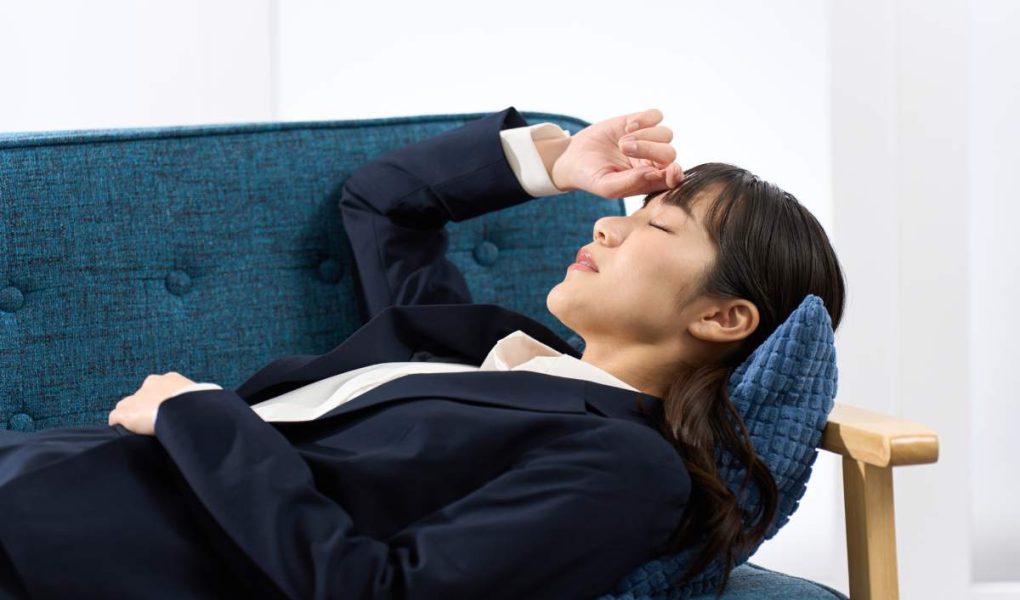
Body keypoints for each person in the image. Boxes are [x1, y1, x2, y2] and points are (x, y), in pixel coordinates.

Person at [0, 106, 844, 599]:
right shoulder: (484, 343)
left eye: (658, 224)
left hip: (73, 550)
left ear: (725, 318)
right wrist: (555, 160)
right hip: (47, 475)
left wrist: (199, 415)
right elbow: (384, 203)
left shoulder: (627, 468)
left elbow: (380, 592)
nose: (606, 222)